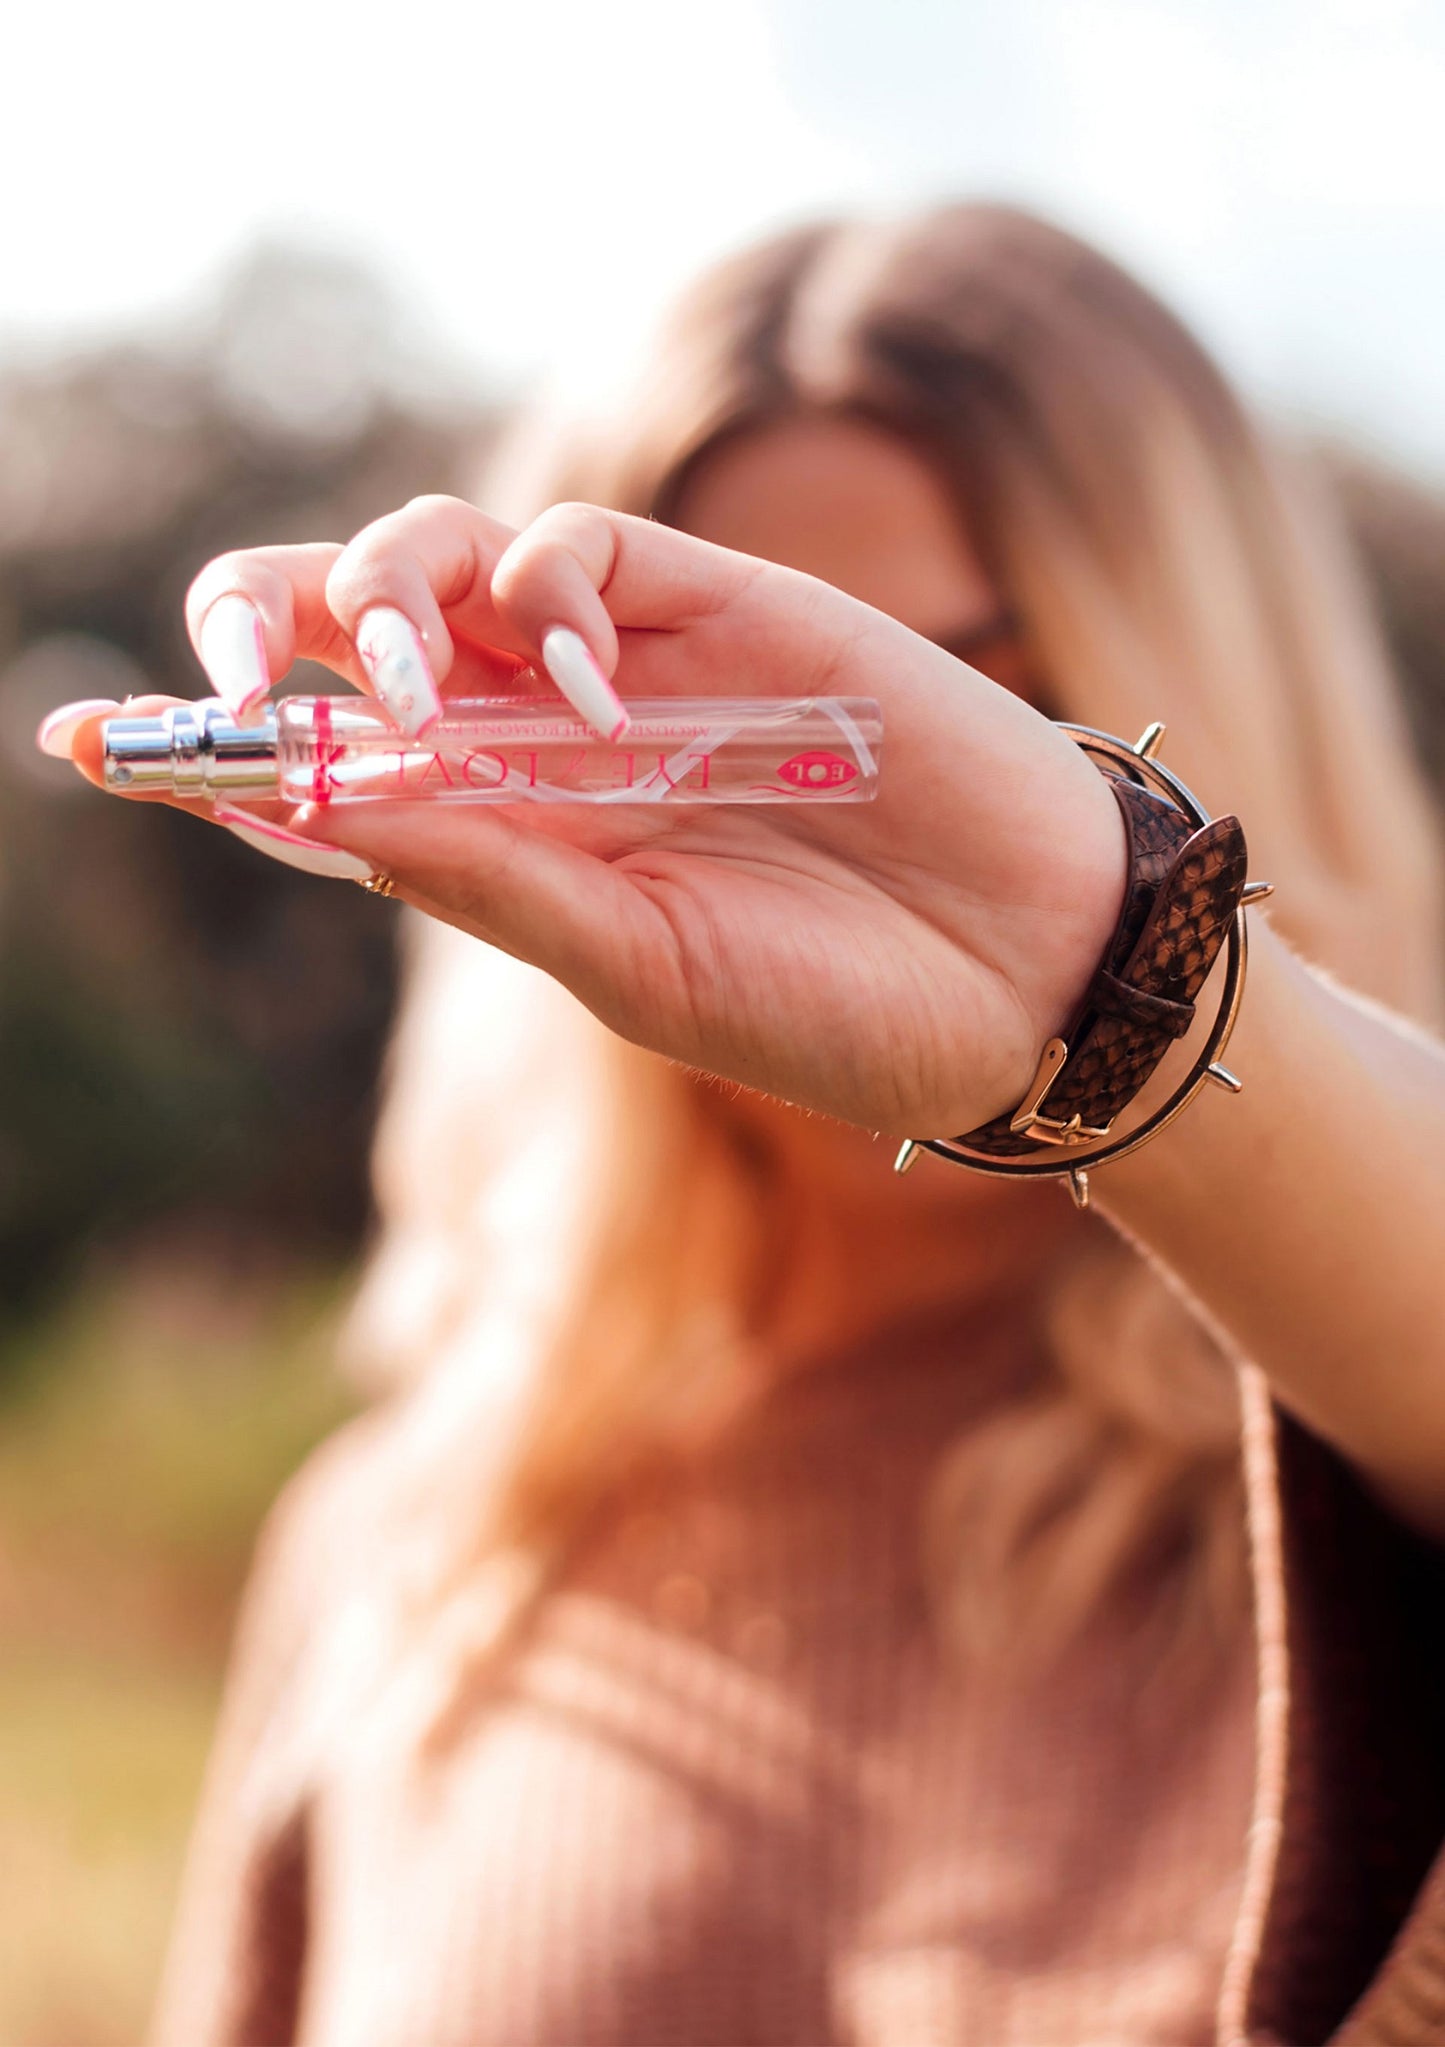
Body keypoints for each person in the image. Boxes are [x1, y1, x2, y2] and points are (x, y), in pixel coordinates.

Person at [46, 205, 1445, 2045]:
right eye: (680, 724)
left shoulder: (1365, 1511)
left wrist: (1114, 978)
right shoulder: (406, 1556)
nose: (840, 823)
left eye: (996, 707)